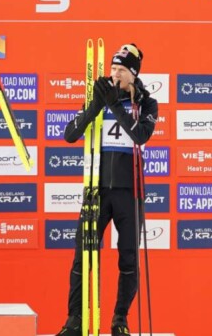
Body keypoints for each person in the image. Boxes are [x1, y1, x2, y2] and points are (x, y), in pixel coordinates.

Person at [58, 44, 158, 336]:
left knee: (128, 257)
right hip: (97, 190)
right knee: (82, 255)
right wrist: (96, 105)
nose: (114, 74)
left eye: (121, 70)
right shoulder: (98, 95)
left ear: (133, 74)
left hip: (130, 192)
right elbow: (70, 135)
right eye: (113, 68)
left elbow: (140, 135)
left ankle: (119, 319)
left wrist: (115, 105)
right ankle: (74, 319)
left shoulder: (147, 104)